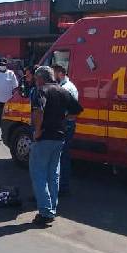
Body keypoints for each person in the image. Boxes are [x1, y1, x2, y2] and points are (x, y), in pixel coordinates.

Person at [29, 66, 82, 227]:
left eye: (36, 79)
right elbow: (76, 110)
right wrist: (64, 119)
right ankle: (51, 208)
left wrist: (37, 131)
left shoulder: (41, 91)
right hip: (59, 137)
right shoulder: (63, 91)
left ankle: (45, 211)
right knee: (53, 175)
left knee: (39, 174)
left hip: (44, 136)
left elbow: (38, 112)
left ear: (40, 78)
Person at [52, 64, 79, 196]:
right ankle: (63, 186)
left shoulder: (65, 88)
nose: (52, 76)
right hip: (68, 124)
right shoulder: (69, 86)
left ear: (60, 73)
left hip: (65, 124)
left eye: (54, 73)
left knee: (61, 157)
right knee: (64, 155)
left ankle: (62, 187)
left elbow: (67, 110)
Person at [0, 59, 19, 142]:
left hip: (8, 101)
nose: (2, 65)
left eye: (4, 64)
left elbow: (15, 86)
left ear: (6, 65)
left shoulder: (11, 73)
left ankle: (5, 135)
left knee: (6, 119)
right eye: (1, 64)